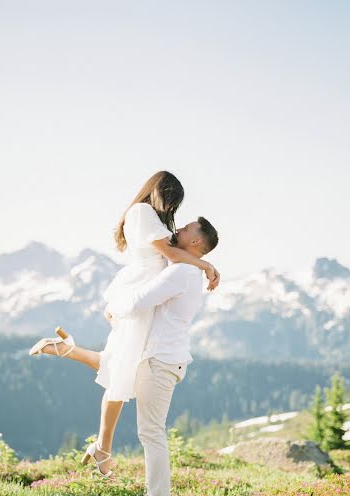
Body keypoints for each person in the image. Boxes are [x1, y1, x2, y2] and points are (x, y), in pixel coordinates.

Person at [29, 171, 220, 478]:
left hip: (147, 291)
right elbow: (171, 253)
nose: (173, 212)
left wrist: (201, 263)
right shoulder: (142, 212)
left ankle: (67, 352)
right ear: (161, 193)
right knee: (121, 370)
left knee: (119, 364)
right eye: (172, 203)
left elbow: (173, 255)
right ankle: (102, 450)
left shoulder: (150, 217)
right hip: (141, 291)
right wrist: (206, 264)